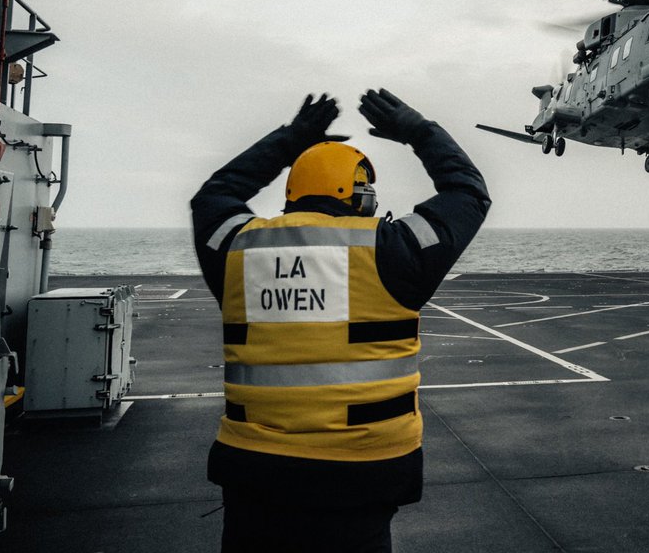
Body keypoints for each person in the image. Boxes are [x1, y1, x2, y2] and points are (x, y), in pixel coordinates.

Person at [190, 89, 490, 552]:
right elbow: (467, 191)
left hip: (254, 469)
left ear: (292, 194)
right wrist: (418, 131)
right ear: (362, 197)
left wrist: (291, 139)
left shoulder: (237, 248)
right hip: (364, 469)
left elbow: (214, 195)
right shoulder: (393, 248)